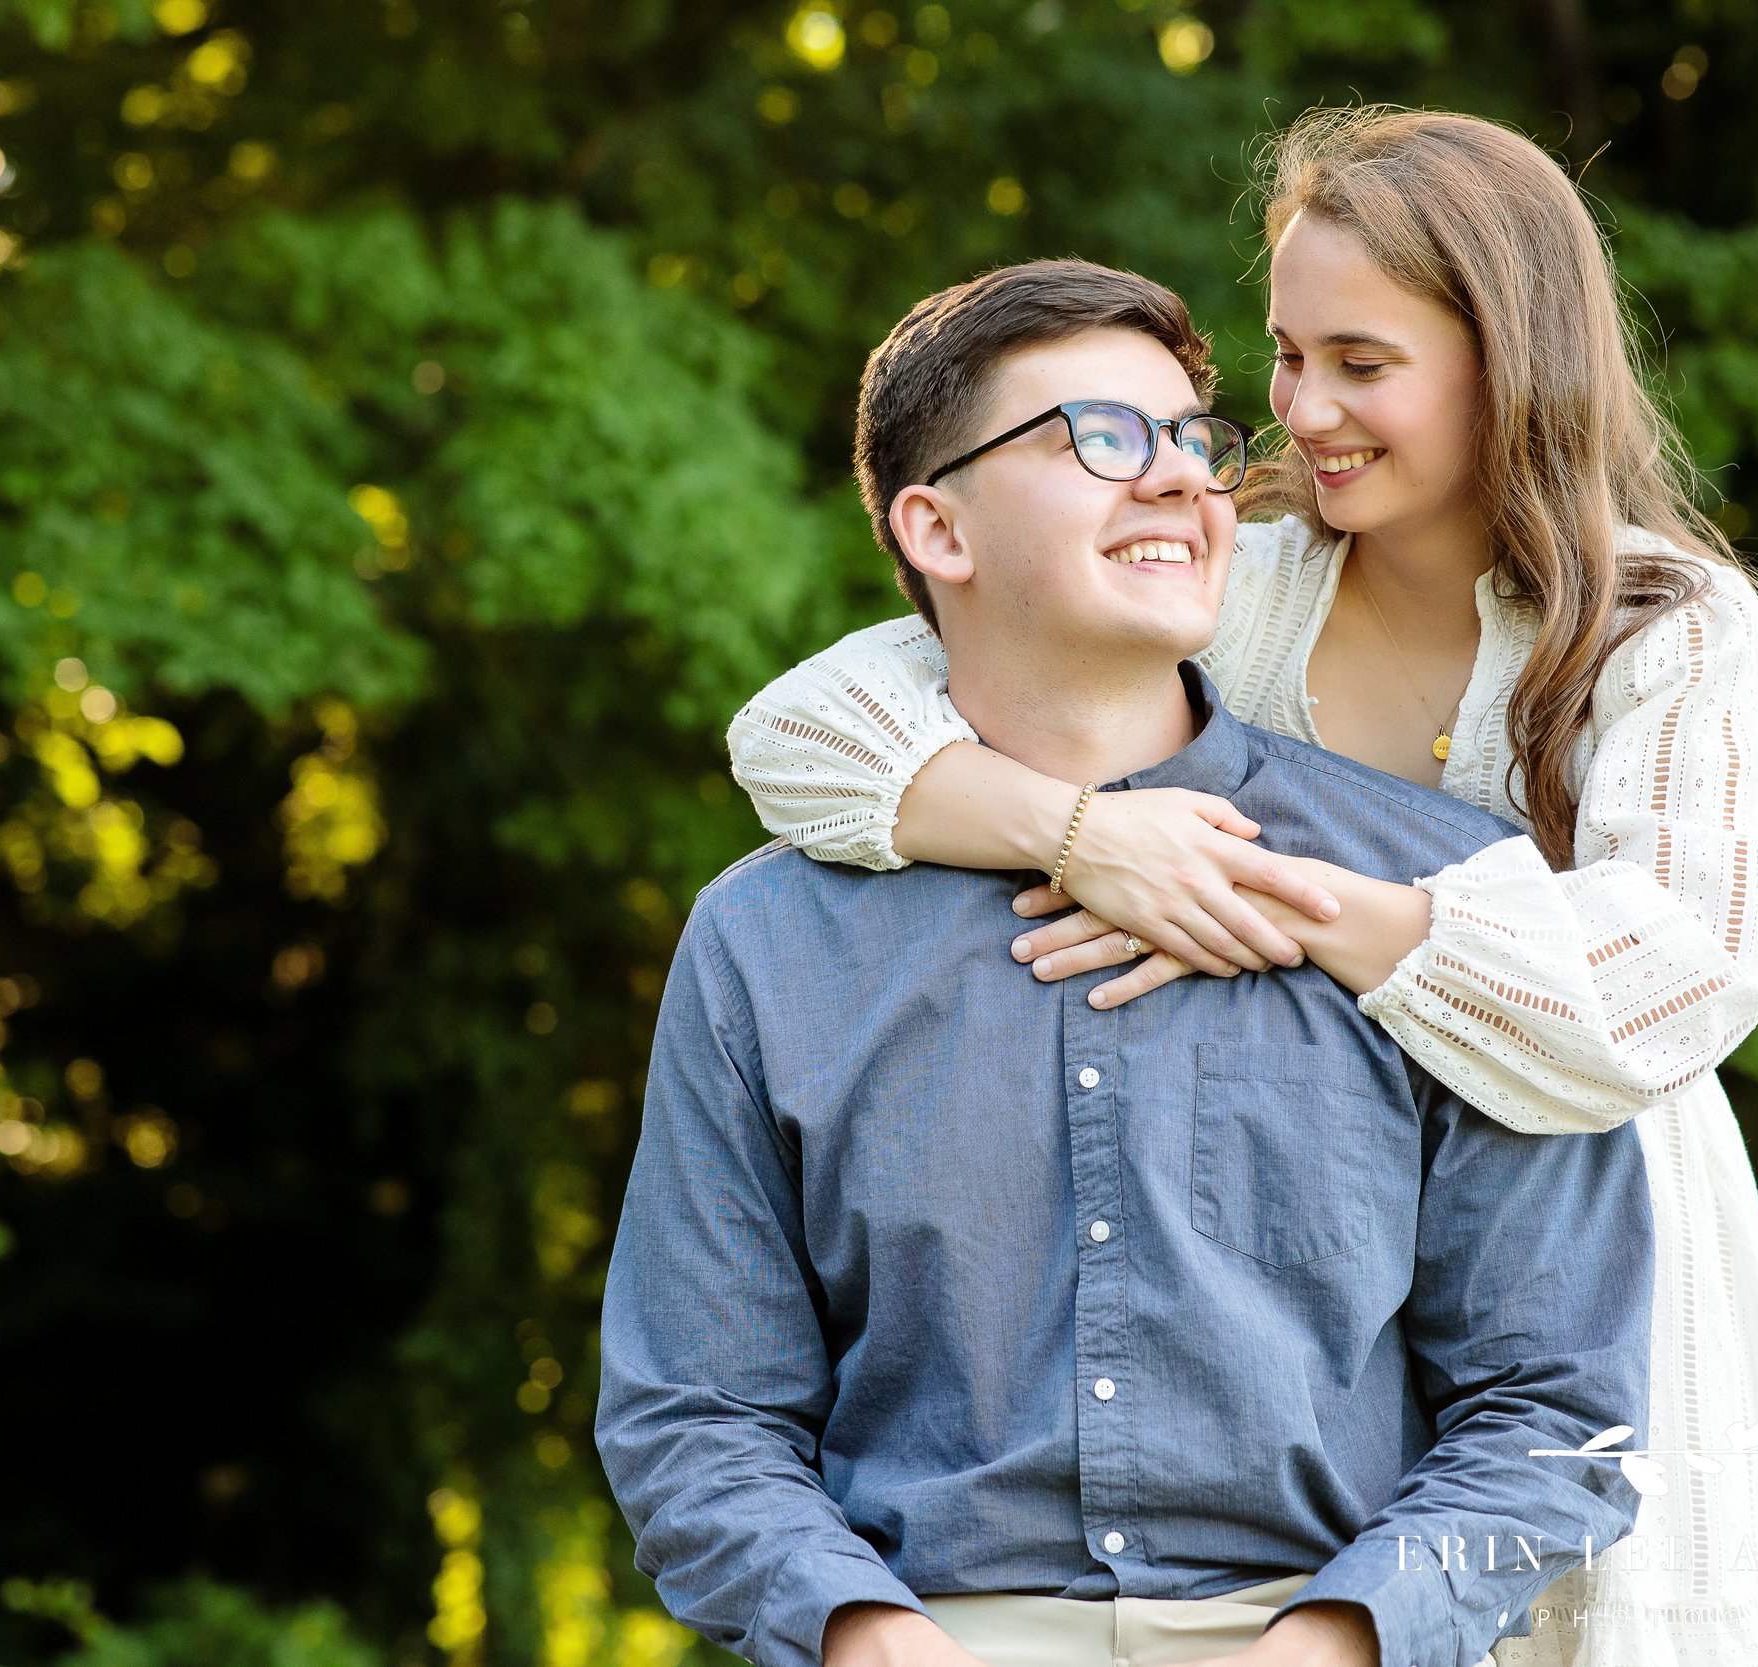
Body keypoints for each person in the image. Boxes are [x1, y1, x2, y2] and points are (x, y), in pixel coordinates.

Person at [722, 109, 1758, 1665]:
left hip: (1586, 1240)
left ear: (1510, 356)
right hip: (1303, 1274)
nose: (1306, 409)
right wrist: (1085, 836)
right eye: (1287, 358)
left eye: (1364, 363)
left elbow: (1670, 984)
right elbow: (803, 735)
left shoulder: (1670, 632)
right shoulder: (1242, 578)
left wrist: (1287, 905)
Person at [596, 258, 1655, 1667]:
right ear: (937, 528)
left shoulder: (1445, 901)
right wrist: (863, 1637)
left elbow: (1559, 1412)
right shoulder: (767, 940)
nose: (1182, 481)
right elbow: (697, 1416)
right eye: (1100, 437)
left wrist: (1343, 1640)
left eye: (1195, 440)